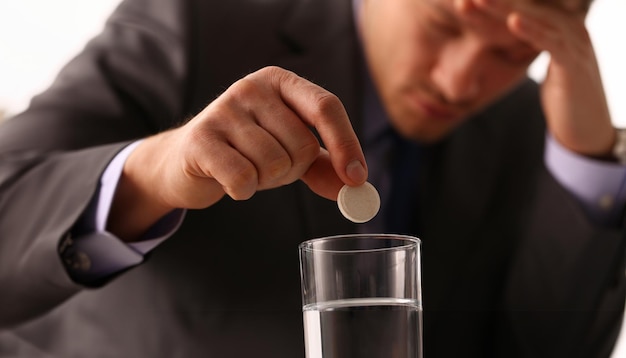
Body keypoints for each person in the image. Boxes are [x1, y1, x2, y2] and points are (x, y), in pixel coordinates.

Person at [0, 0, 624, 356]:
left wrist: (586, 163)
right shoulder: (192, 27)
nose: (460, 84)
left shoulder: (531, 128)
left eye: (513, 54)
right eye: (445, 24)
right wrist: (156, 171)